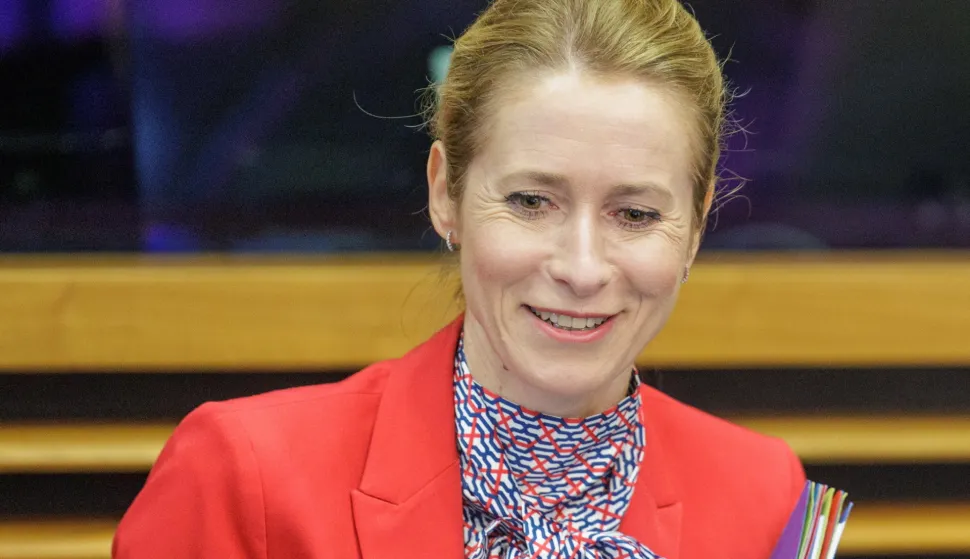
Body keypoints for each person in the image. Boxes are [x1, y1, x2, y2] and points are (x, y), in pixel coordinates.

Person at [113, 0, 805, 557]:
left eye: (636, 212)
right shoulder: (243, 475)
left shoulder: (769, 495)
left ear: (696, 222)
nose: (582, 267)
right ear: (445, 193)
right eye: (532, 202)